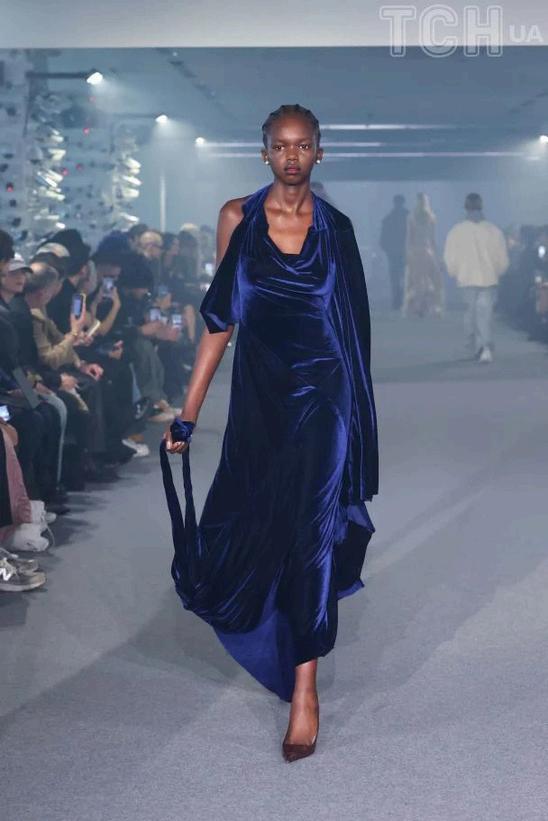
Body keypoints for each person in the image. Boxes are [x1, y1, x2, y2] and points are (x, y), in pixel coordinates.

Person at [162, 103, 378, 763]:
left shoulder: (337, 229)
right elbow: (220, 320)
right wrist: (189, 412)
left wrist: (357, 421)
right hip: (260, 398)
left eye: (303, 145)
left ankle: (305, 690)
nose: (292, 156)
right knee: (256, 521)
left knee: (312, 531)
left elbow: (355, 332)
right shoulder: (237, 217)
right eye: (281, 146)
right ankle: (275, 635)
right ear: (264, 153)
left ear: (319, 152)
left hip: (324, 396)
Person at [444, 193, 509, 363]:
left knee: (472, 313)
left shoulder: (456, 231)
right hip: (488, 277)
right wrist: (499, 270)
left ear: (466, 208)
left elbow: (450, 256)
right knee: (484, 313)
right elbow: (501, 257)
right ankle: (483, 346)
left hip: (466, 278)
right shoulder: (493, 231)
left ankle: (478, 345)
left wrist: (454, 272)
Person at [402, 192, 444, 317]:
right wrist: (437, 254)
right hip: (424, 251)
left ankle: (419, 307)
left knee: (418, 281)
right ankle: (425, 307)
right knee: (427, 281)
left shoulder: (415, 218)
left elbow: (410, 238)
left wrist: (408, 253)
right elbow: (431, 239)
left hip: (418, 252)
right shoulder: (428, 217)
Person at [380, 194, 408, 311]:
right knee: (403, 277)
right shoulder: (409, 218)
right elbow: (383, 240)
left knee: (397, 278)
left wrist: (389, 251)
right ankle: (402, 301)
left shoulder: (388, 219)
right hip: (403, 253)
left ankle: (398, 301)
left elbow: (382, 240)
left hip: (397, 253)